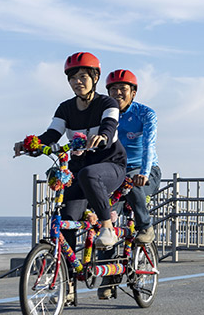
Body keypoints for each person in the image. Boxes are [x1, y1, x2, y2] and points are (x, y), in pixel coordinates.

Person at [14, 51, 126, 250]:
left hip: (110, 165)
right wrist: (29, 145)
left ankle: (107, 227)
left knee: (88, 174)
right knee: (66, 219)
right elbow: (50, 136)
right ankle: (68, 277)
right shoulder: (65, 108)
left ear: (95, 78)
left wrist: (102, 136)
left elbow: (109, 124)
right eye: (73, 78)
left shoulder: (107, 103)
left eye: (83, 76)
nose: (77, 82)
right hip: (80, 171)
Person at [105, 69, 161, 245]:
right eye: (113, 89)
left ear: (133, 92)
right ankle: (108, 263)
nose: (118, 93)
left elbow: (148, 146)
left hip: (145, 170)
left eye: (123, 88)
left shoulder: (145, 114)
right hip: (117, 170)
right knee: (107, 214)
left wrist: (144, 173)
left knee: (131, 182)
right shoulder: (106, 115)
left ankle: (146, 226)